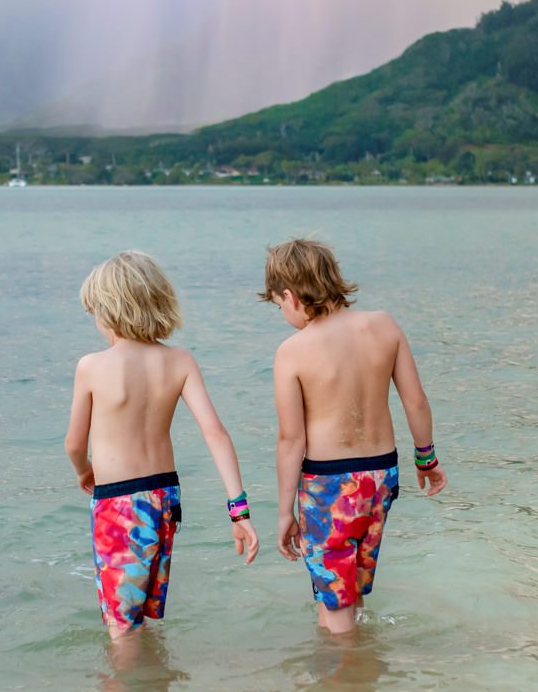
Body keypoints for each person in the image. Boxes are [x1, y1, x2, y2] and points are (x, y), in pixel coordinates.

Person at [65, 251, 259, 639]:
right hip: (164, 499)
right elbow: (215, 432)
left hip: (118, 502)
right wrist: (239, 511)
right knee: (144, 614)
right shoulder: (179, 361)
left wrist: (83, 469)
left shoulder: (92, 366)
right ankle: (154, 691)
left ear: (109, 311)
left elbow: (73, 443)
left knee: (122, 627)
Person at [262, 238, 446, 633]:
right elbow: (416, 402)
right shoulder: (384, 325)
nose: (283, 314)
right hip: (381, 476)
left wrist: (283, 513)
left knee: (333, 599)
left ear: (291, 296)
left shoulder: (292, 351)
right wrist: (426, 458)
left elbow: (290, 440)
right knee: (355, 586)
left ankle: (347, 683)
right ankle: (364, 662)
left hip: (329, 484)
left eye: (279, 305)